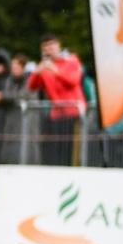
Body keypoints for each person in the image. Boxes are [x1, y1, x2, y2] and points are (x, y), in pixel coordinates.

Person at [24, 34, 84, 164]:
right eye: (45, 47)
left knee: (72, 152)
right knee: (55, 150)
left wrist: (56, 71)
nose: (48, 50)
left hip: (73, 113)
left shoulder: (71, 60)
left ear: (58, 46)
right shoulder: (45, 67)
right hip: (56, 114)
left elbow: (73, 81)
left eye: (51, 45)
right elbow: (31, 87)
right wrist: (36, 72)